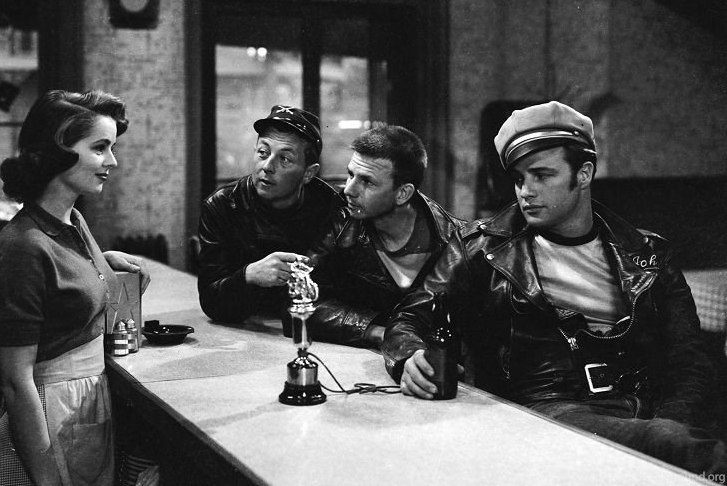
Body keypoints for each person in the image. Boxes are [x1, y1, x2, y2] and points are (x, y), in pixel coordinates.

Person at [383, 101, 727, 475]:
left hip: (649, 411)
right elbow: (409, 318)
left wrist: (672, 423)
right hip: (546, 410)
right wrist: (409, 357)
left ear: (584, 173)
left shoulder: (647, 253)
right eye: (519, 179)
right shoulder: (482, 250)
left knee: (682, 443)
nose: (525, 191)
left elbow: (688, 359)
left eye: (542, 175)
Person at [0, 90, 150, 486]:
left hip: (82, 407)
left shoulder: (73, 222)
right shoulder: (21, 246)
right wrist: (46, 477)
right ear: (58, 152)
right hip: (50, 413)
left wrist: (101, 264)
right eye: (100, 148)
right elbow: (16, 382)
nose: (112, 161)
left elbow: (63, 283)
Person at [307, 125, 463, 348]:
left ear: (403, 194)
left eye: (367, 182)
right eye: (350, 175)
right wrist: (375, 332)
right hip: (361, 359)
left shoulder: (455, 242)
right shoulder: (342, 223)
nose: (349, 189)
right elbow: (300, 302)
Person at [198, 105, 344, 324]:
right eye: (263, 153)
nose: (267, 166)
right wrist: (249, 275)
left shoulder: (330, 207)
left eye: (284, 159)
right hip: (249, 329)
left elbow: (341, 290)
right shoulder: (223, 205)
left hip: (309, 325)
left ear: (308, 173)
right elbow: (211, 301)